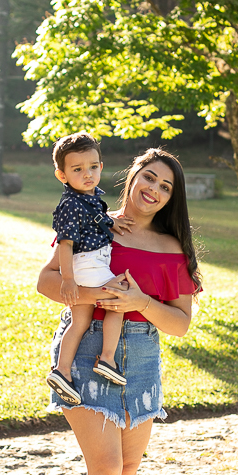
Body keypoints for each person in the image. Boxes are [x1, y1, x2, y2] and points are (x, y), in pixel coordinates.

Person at [37, 147, 201, 475]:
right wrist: (101, 296)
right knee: (106, 467)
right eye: (148, 177)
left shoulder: (174, 249)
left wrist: (138, 299)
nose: (153, 189)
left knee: (128, 468)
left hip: (143, 356)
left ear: (172, 198)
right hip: (88, 348)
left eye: (165, 186)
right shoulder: (94, 220)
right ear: (131, 177)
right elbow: (47, 282)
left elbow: (180, 323)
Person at [47, 132, 135, 407]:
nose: (88, 174)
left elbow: (93, 216)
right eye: (77, 169)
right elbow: (65, 243)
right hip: (86, 262)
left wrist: (110, 223)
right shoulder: (71, 204)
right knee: (119, 297)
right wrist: (68, 281)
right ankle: (107, 358)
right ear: (62, 175)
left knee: (81, 321)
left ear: (100, 165)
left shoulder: (87, 198)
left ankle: (62, 371)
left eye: (93, 167)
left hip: (90, 261)